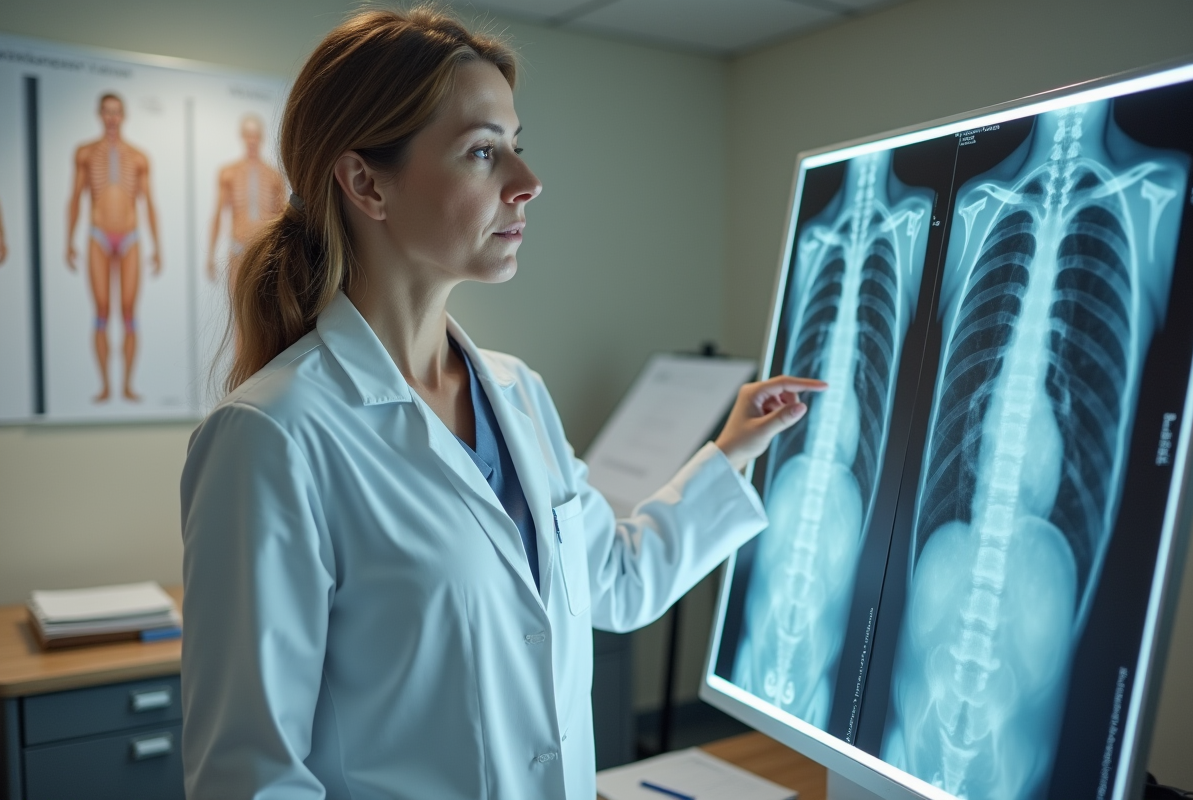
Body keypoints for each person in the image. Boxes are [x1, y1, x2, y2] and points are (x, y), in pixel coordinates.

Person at [179, 8, 825, 800]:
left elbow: (614, 580)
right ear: (366, 183)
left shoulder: (517, 393)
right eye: (483, 152)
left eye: (516, 146)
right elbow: (252, 780)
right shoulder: (271, 437)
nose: (527, 182)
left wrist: (733, 450)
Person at [66, 92, 161, 402]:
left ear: (123, 116)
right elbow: (75, 197)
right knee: (103, 312)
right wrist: (68, 240)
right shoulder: (84, 153)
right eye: (106, 112)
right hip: (98, 236)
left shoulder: (138, 156)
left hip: (131, 236)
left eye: (116, 112)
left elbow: (150, 204)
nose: (111, 118)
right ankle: (106, 385)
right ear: (99, 114)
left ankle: (128, 385)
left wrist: (158, 246)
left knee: (130, 312)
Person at [205, 114, 286, 281]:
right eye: (248, 135)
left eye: (255, 135)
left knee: (266, 304)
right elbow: (218, 215)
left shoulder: (274, 176)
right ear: (242, 137)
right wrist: (210, 255)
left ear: (261, 138)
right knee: (237, 304)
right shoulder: (228, 173)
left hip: (266, 253)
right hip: (238, 251)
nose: (252, 140)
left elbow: (283, 218)